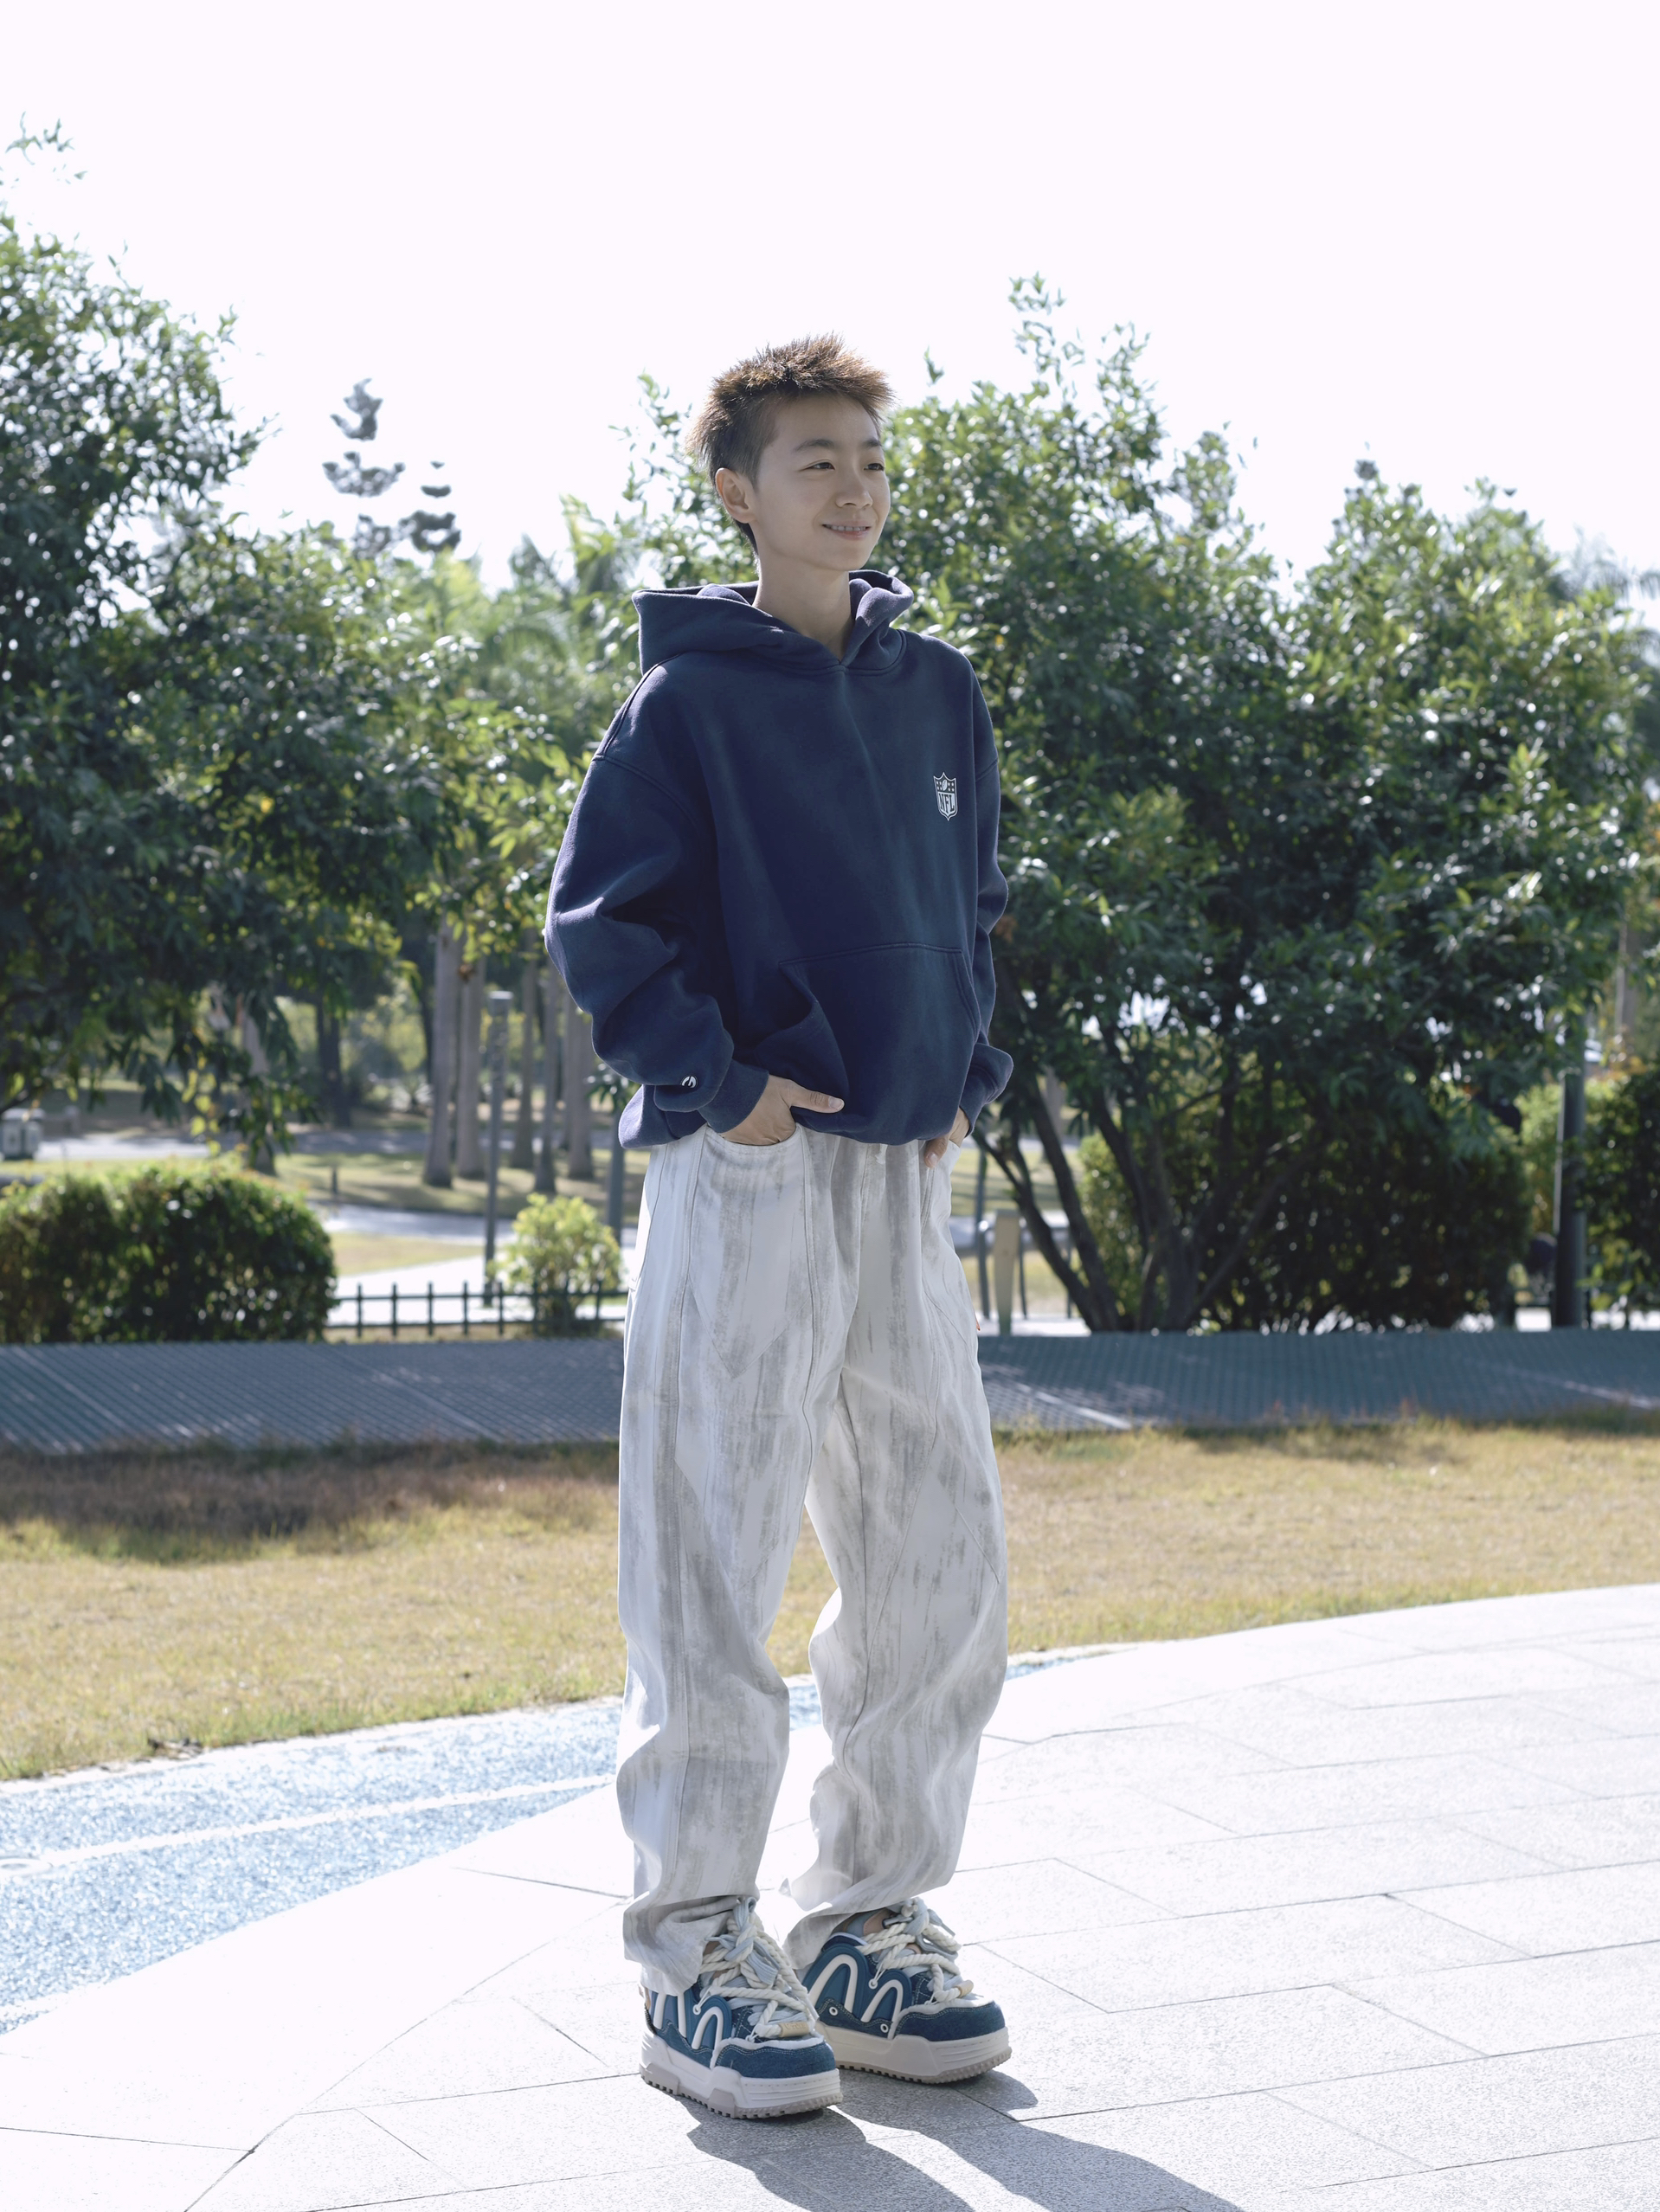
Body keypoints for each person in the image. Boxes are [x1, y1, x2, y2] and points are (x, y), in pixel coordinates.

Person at [546, 335, 1013, 2121]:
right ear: (738, 493)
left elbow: (970, 902)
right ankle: (692, 1943)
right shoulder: (684, 705)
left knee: (936, 1551)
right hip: (744, 1160)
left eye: (870, 458)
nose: (854, 486)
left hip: (897, 1170)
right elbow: (604, 927)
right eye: (816, 459)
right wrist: (723, 1084)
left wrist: (962, 1066)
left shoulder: (935, 690)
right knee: (712, 1551)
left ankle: (867, 1919)